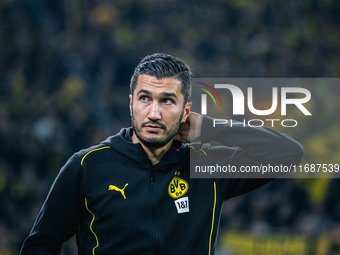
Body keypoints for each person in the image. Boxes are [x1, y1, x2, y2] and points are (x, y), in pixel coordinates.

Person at [21, 53, 304, 255]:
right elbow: (41, 244)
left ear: (186, 111)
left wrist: (210, 129)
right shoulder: (87, 166)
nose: (154, 113)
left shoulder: (207, 166)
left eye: (167, 101)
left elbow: (288, 153)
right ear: (131, 103)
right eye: (145, 98)